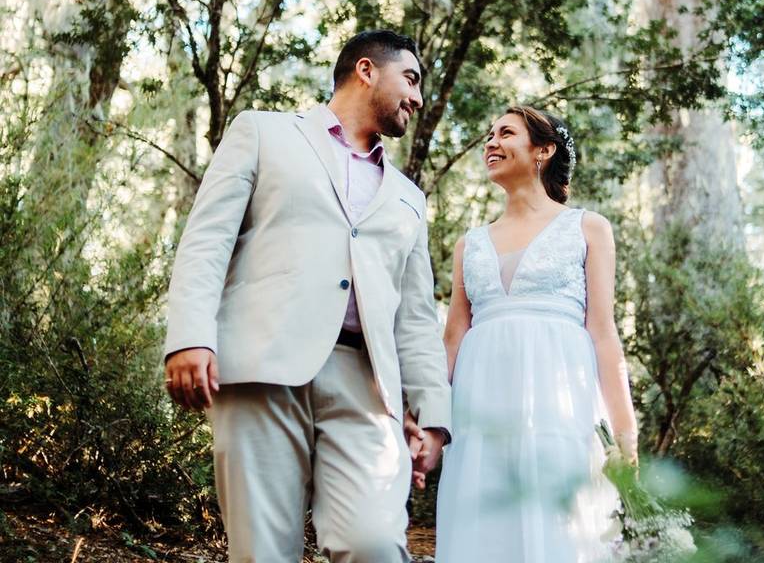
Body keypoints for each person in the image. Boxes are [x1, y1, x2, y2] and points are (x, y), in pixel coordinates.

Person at [163, 29, 451, 563]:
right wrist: (189, 337)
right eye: (410, 79)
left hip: (366, 387)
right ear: (366, 70)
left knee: (374, 546)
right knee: (261, 551)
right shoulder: (263, 133)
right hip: (262, 365)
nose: (417, 97)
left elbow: (414, 317)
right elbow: (206, 241)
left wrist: (433, 415)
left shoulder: (409, 199)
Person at [432, 106, 638, 562]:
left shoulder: (588, 227)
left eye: (505, 133)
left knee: (558, 529)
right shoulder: (471, 242)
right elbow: (453, 336)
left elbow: (603, 333)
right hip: (479, 410)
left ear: (543, 150)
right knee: (482, 526)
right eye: (489, 134)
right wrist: (429, 420)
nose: (491, 142)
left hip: (560, 406)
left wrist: (625, 434)